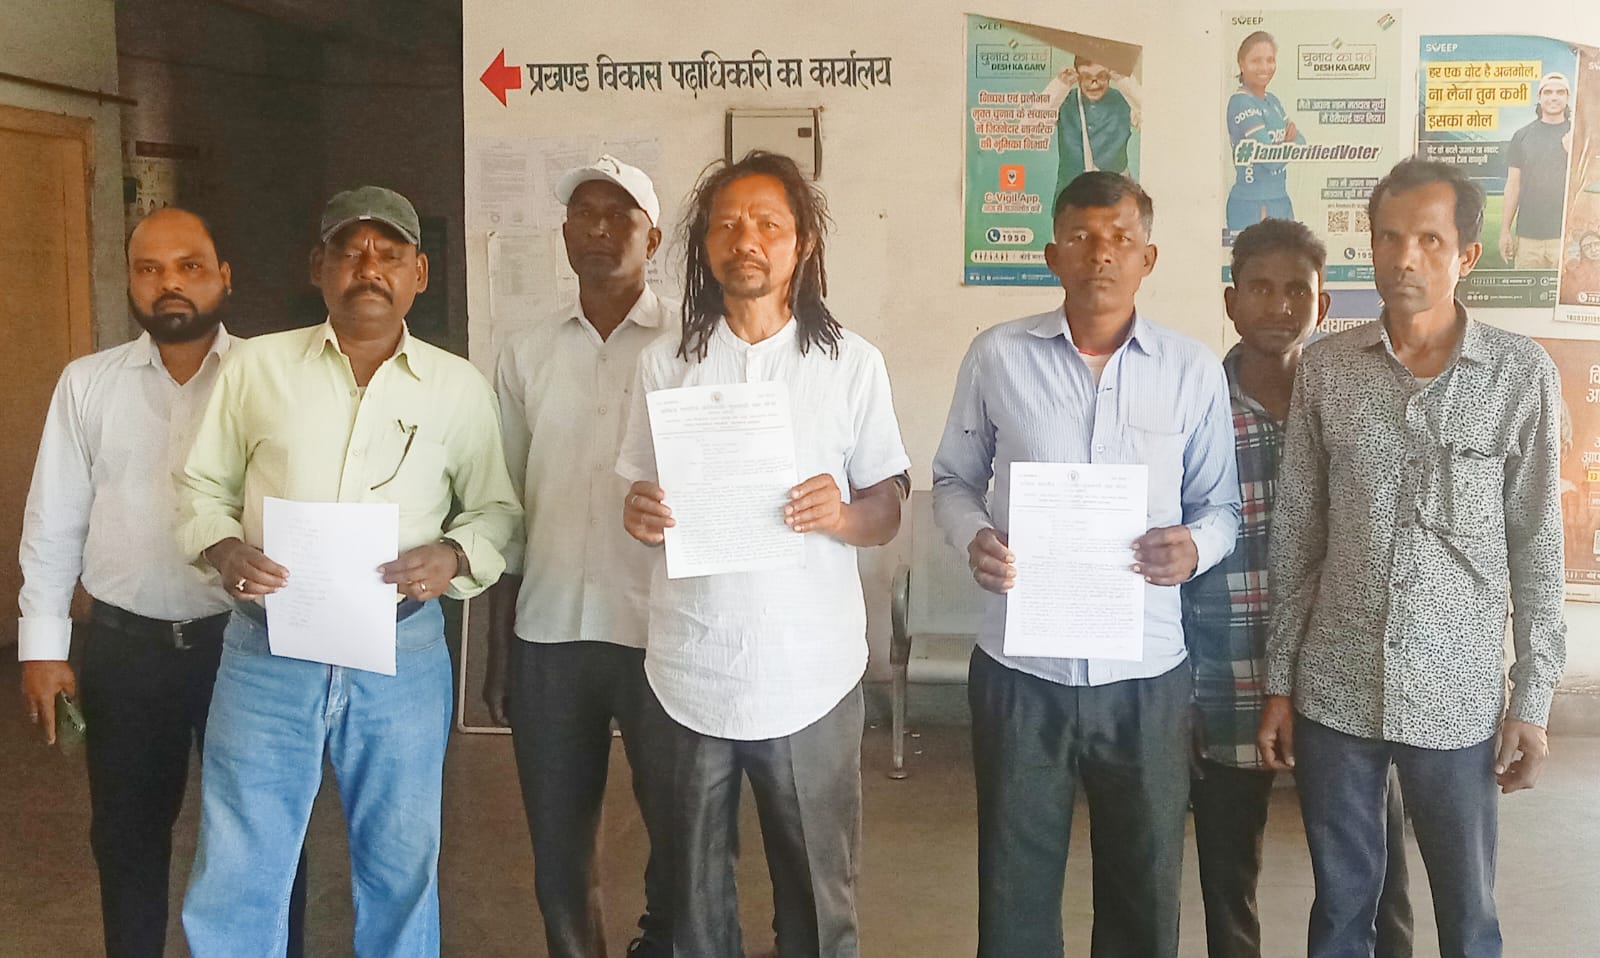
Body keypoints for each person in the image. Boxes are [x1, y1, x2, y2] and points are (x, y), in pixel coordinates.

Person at [175, 186, 522, 957]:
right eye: (350, 252)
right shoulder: (257, 368)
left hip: (402, 654)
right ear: (318, 267)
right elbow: (200, 488)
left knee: (401, 866)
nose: (369, 268)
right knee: (239, 864)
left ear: (419, 274)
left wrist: (454, 555)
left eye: (389, 255)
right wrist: (225, 550)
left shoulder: (458, 387)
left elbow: (497, 511)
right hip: (267, 652)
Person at [1260, 157, 1567, 958]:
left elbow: (1537, 550)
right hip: (1336, 692)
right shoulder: (1328, 369)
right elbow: (1298, 535)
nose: (1405, 258)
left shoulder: (1519, 375)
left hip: (1456, 697)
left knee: (1467, 915)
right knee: (1340, 910)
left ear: (1467, 255)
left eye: (1429, 240)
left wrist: (1532, 701)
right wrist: (1280, 683)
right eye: (1389, 237)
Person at [932, 170, 1241, 958]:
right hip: (1021, 668)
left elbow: (1222, 508)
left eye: (1120, 238)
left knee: (1144, 881)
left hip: (1145, 674)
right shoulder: (997, 356)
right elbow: (953, 481)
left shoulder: (1192, 369)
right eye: (1081, 237)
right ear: (1053, 254)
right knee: (1015, 881)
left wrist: (1195, 547)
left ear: (1148, 257)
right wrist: (973, 536)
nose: (1101, 253)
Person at [618, 150, 909, 958]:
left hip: (809, 674)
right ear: (703, 245)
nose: (746, 240)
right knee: (692, 906)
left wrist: (842, 515)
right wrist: (640, 512)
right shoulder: (664, 363)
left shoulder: (851, 363)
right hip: (690, 669)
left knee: (819, 901)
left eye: (768, 224)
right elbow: (638, 490)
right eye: (726, 225)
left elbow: (887, 508)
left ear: (803, 242)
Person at [15, 209, 306, 958]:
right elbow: (53, 521)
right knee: (125, 837)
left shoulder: (273, 378)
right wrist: (43, 648)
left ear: (224, 277)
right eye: (149, 268)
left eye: (189, 266)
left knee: (267, 834)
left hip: (247, 650)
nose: (168, 283)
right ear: (129, 282)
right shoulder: (88, 384)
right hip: (126, 652)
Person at [1183, 218, 1412, 958]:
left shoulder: (1351, 402)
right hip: (1223, 673)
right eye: (1260, 288)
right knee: (1228, 876)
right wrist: (1179, 689)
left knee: (1373, 873)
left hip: (1341, 679)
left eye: (1296, 291)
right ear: (1230, 301)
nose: (1279, 306)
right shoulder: (1192, 406)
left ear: (1323, 305)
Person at [485, 155, 678, 958]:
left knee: (682, 828)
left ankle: (664, 943)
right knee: (559, 844)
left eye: (618, 215)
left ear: (652, 238)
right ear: (564, 234)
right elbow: (504, 506)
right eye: (582, 215)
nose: (597, 228)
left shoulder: (692, 344)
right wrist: (500, 648)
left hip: (662, 631)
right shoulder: (525, 351)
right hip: (552, 631)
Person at [1226, 31, 1304, 233]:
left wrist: (1284, 146)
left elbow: (1302, 143)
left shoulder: (1273, 101)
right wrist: (1288, 143)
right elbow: (1270, 159)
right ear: (1241, 64)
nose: (1264, 67)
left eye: (1270, 60)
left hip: (1280, 198)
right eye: (1256, 61)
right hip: (1253, 203)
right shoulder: (1241, 102)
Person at [1500, 72, 1573, 269]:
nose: (1554, 97)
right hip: (1528, 237)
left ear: (1568, 98)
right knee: (1526, 289)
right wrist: (1505, 230)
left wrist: (1572, 154)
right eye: (1548, 92)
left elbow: (1589, 183)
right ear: (1539, 97)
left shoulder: (1578, 135)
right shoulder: (1522, 136)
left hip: (1566, 236)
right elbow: (1513, 185)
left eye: (1560, 92)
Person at [1049, 55, 1140, 204]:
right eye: (1086, 77)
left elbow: (1156, 120)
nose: (1094, 84)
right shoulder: (1064, 101)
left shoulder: (1123, 101)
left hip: (1115, 195)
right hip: (1072, 197)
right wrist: (1059, 85)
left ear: (1109, 76)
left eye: (1101, 76)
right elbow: (1030, 126)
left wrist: (1125, 81)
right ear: (1078, 77)